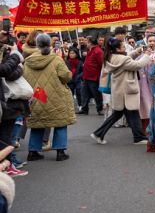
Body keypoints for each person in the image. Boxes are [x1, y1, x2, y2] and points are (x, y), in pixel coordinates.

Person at [23, 33, 76, 161]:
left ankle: (33, 152)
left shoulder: (28, 61)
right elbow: (66, 77)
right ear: (50, 43)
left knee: (38, 123)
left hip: (37, 96)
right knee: (60, 123)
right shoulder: (56, 59)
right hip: (56, 96)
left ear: (37, 44)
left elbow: (24, 78)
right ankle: (60, 152)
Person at [91, 38, 152, 145]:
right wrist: (146, 55)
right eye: (123, 46)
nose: (125, 48)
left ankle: (99, 133)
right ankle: (139, 137)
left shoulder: (112, 57)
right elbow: (137, 65)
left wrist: (136, 52)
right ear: (118, 49)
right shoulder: (122, 59)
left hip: (120, 90)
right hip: (127, 90)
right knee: (131, 112)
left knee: (122, 114)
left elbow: (127, 58)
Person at [138, 34, 155, 133]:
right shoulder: (142, 54)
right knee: (146, 106)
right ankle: (146, 130)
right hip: (144, 84)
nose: (152, 43)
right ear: (147, 42)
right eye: (150, 41)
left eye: (154, 41)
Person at [79, 33, 104, 115]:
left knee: (96, 94)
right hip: (86, 76)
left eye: (87, 42)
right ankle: (84, 108)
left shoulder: (98, 51)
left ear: (90, 43)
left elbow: (101, 64)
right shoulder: (90, 50)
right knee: (84, 93)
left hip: (94, 77)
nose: (86, 43)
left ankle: (99, 109)